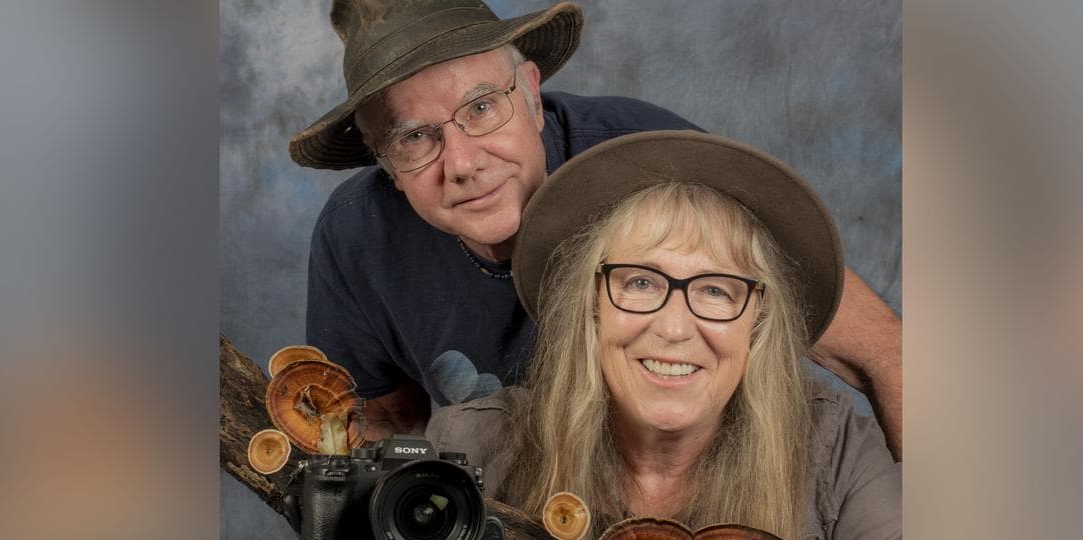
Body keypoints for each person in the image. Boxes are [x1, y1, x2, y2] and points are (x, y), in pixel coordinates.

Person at [234, 131, 900, 540]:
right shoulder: (476, 439)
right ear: (589, 306)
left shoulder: (835, 445)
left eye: (716, 290)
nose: (675, 327)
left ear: (758, 323)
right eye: (639, 283)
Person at [293, 0, 904, 459]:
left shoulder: (655, 164)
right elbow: (385, 422)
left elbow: (887, 353)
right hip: (524, 522)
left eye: (481, 108)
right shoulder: (357, 238)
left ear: (532, 95)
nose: (463, 163)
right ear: (381, 157)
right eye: (414, 137)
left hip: (714, 499)